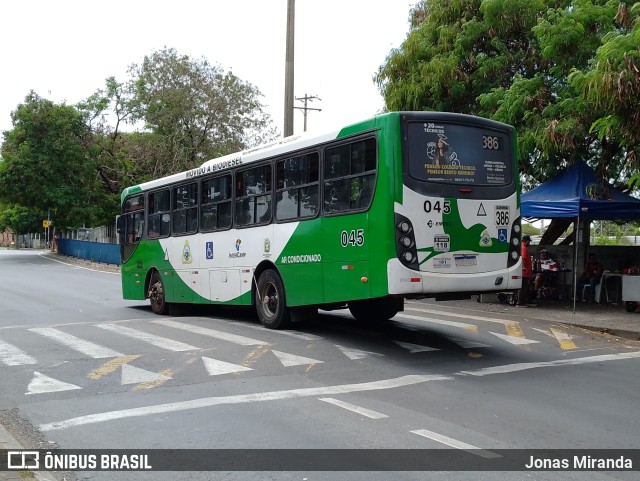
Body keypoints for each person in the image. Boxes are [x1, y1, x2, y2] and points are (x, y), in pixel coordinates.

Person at [517, 235, 534, 307]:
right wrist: (524, 267)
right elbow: (523, 258)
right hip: (524, 272)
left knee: (526, 287)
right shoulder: (523, 248)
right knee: (523, 287)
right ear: (526, 241)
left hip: (526, 272)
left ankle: (524, 301)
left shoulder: (523, 248)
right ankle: (520, 302)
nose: (529, 243)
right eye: (529, 241)